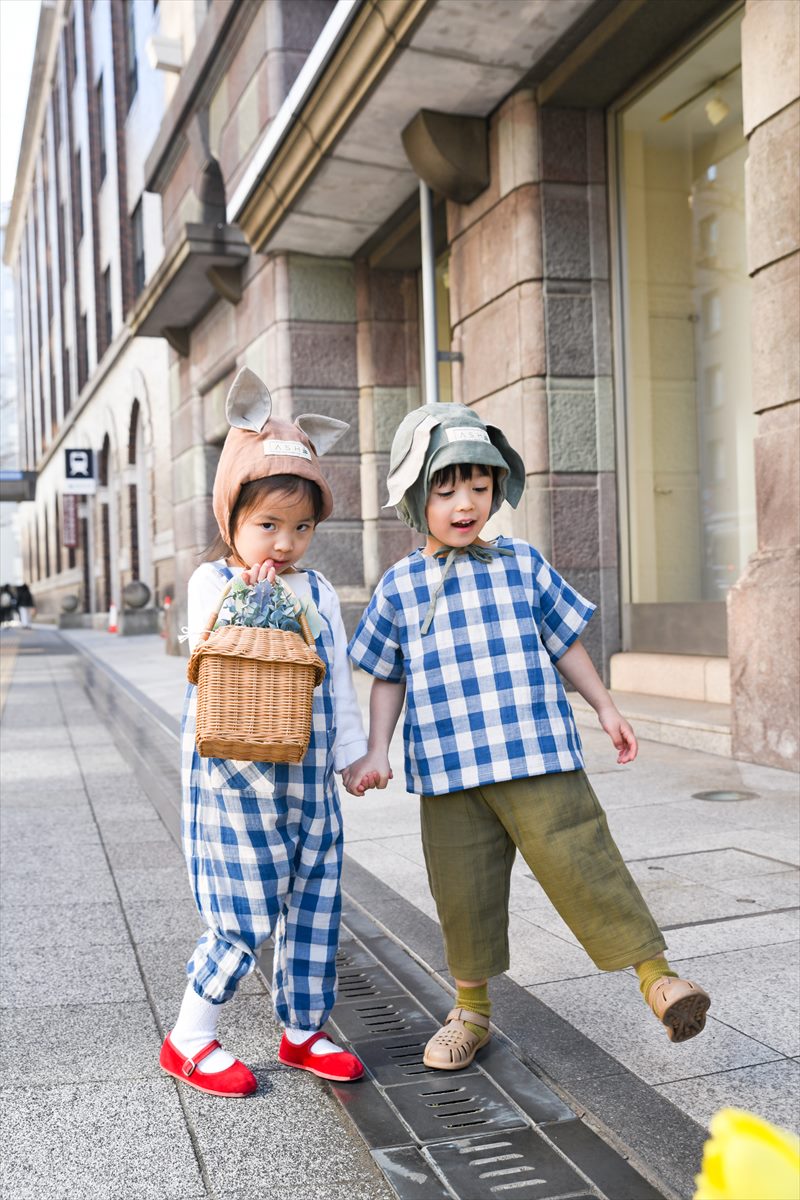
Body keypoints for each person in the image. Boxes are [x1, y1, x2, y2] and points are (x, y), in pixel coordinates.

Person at [347, 402, 710, 1071]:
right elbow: (387, 675)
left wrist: (604, 705)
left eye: (480, 488)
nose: (466, 504)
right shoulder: (400, 585)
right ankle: (471, 1012)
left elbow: (562, 642)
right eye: (447, 489)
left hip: (537, 753)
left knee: (585, 862)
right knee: (463, 892)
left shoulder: (521, 562)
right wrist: (376, 748)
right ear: (413, 495)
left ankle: (658, 980)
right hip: (451, 770)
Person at [161, 367, 371, 1097]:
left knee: (317, 896)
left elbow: (337, 673)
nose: (284, 544)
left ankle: (303, 1029)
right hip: (234, 776)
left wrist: (354, 754)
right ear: (232, 519)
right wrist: (248, 603)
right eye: (267, 525)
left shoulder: (316, 590)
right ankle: (190, 1036)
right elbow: (201, 646)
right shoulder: (211, 581)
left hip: (308, 772)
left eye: (302, 526)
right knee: (244, 902)